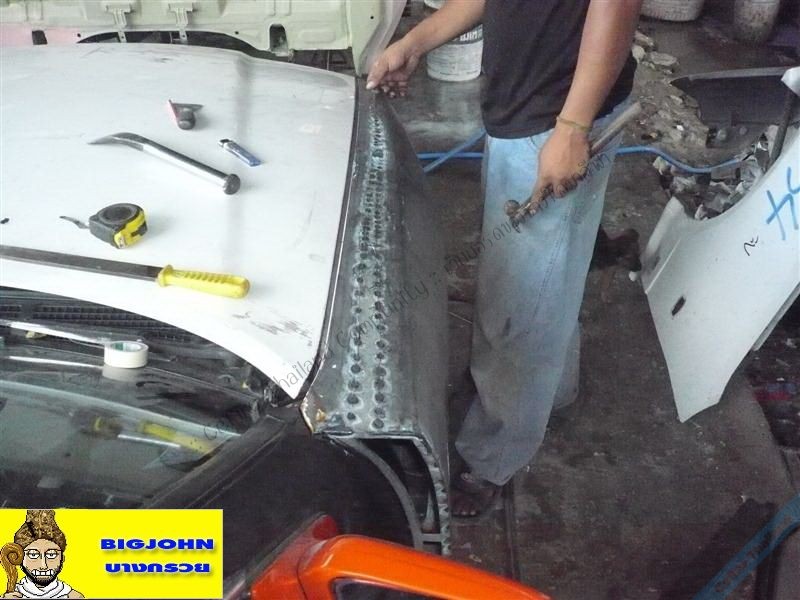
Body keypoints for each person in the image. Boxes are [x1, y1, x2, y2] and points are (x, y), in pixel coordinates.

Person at [367, 0, 642, 517]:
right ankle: (552, 393)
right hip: (533, 110)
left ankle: (492, 455)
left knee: (520, 299)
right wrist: (416, 41)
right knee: (552, 272)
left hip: (555, 117)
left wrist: (572, 128)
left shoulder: (562, 122)